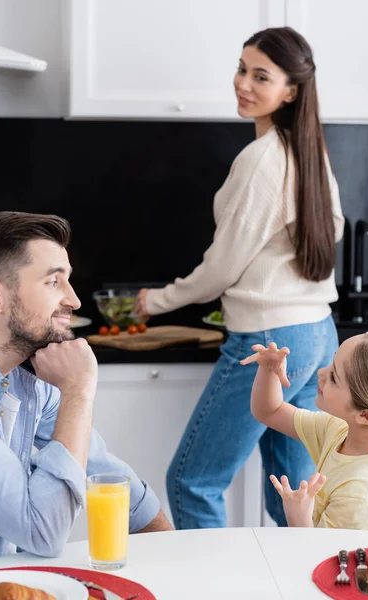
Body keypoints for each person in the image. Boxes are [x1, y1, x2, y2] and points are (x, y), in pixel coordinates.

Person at [135, 27, 344, 529]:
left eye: (261, 76)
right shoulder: (310, 151)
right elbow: (331, 229)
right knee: (293, 499)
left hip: (268, 341)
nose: (243, 83)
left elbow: (221, 269)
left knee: (194, 482)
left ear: (290, 90)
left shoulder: (261, 159)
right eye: (242, 69)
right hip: (317, 335)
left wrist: (156, 302)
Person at [0, 211, 172, 559]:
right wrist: (78, 391)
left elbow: (102, 468)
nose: (74, 301)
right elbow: (43, 532)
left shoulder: (27, 381)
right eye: (53, 282)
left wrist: (172, 548)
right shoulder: (53, 381)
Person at [241, 333, 368, 530]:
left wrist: (297, 517)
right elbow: (270, 411)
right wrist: (269, 371)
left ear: (365, 416)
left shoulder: (362, 491)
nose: (321, 372)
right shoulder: (340, 430)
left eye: (333, 377)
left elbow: (324, 556)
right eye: (331, 362)